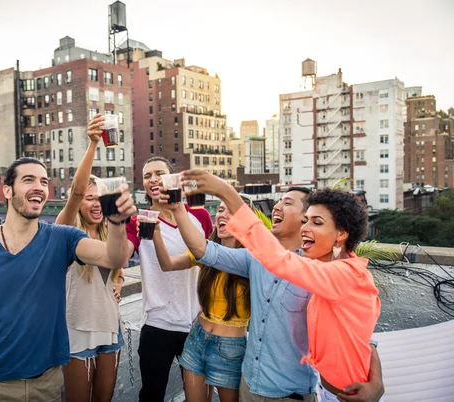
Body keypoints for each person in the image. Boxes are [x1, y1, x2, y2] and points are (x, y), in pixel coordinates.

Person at [0, 157, 136, 402]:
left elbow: (114, 258)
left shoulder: (63, 238)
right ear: (7, 190)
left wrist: (116, 220)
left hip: (46, 385)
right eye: (28, 180)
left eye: (44, 181)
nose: (39, 186)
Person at [180, 169, 384, 402]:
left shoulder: (340, 274)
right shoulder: (318, 269)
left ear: (341, 233)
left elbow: (280, 260)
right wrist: (177, 209)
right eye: (307, 220)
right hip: (254, 384)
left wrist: (225, 191)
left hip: (294, 393)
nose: (307, 227)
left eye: (316, 222)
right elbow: (207, 252)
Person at [125, 156, 213, 402]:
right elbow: (120, 256)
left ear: (173, 179)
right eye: (147, 175)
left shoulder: (200, 216)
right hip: (157, 325)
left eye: (159, 173)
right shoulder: (138, 221)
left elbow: (211, 261)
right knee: (152, 395)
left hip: (196, 324)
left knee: (198, 396)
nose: (153, 179)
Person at [146, 196, 250, 402]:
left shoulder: (253, 260)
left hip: (230, 348)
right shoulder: (207, 251)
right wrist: (156, 233)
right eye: (220, 210)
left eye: (231, 211)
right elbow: (167, 264)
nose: (223, 214)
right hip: (196, 339)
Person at [55, 114, 127, 402]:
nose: (95, 202)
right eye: (90, 198)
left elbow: (118, 262)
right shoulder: (68, 231)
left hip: (111, 327)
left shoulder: (112, 232)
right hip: (77, 331)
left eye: (101, 198)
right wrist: (93, 144)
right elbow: (76, 191)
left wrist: (119, 279)